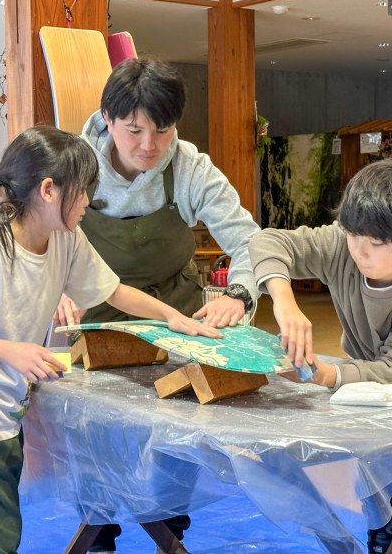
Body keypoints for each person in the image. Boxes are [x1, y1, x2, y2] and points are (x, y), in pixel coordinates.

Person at [0, 126, 219, 554]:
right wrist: (12, 351)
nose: (89, 204)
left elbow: (112, 290)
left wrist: (174, 317)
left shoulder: (65, 238)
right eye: (83, 193)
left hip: (6, 406)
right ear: (48, 190)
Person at [55, 59, 261, 554]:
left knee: (180, 423)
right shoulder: (73, 164)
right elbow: (39, 237)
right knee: (95, 426)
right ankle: (98, 534)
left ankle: (170, 530)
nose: (149, 146)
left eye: (162, 130)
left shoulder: (191, 168)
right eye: (134, 131)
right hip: (94, 311)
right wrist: (54, 286)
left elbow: (253, 242)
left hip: (176, 312)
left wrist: (240, 292)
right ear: (108, 117)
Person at [249, 158, 392, 554]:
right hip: (365, 378)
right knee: (376, 489)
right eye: (352, 235)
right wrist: (284, 300)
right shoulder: (345, 243)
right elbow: (268, 241)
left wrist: (328, 375)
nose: (359, 252)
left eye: (376, 244)